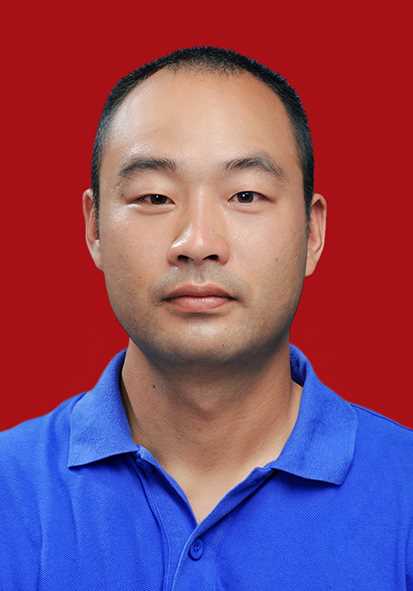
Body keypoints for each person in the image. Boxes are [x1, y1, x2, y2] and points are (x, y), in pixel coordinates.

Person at [0, 45, 412, 590]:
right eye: (154, 197)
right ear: (94, 228)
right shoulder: (11, 489)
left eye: (245, 194)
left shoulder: (404, 491)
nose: (197, 242)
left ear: (312, 233)